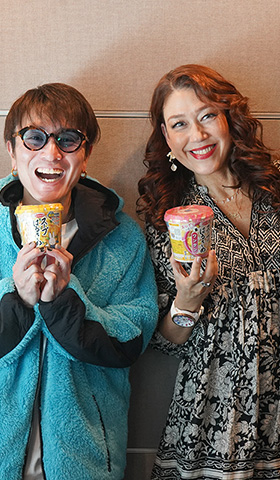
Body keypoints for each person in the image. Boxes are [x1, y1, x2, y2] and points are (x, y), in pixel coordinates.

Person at [0, 82, 158, 479]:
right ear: (12, 151)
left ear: (85, 156)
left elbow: (129, 344)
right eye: (34, 138)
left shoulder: (121, 239)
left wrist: (65, 301)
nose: (51, 153)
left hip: (84, 464)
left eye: (68, 140)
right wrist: (14, 298)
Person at [137, 64, 280, 479]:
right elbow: (165, 342)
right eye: (179, 124)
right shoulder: (167, 216)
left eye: (207, 116)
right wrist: (187, 300)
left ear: (229, 118)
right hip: (216, 413)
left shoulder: (275, 186)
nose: (197, 135)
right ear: (167, 137)